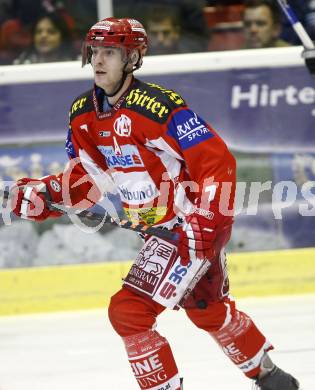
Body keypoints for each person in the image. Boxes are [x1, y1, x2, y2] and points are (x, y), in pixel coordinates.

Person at [10, 17, 300, 390]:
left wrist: (205, 224)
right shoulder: (82, 116)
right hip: (163, 233)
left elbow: (217, 163)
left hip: (188, 228)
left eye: (110, 52)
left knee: (129, 312)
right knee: (207, 310)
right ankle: (272, 377)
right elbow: (86, 184)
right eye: (95, 51)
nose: (99, 60)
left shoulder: (159, 108)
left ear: (132, 58)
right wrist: (43, 195)